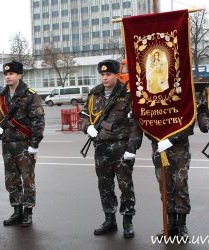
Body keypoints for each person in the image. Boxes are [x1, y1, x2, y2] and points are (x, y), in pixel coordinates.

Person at [81, 59, 143, 238]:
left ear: (117, 74)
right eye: (102, 74)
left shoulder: (127, 94)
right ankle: (110, 220)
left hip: (121, 147)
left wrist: (132, 147)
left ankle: (127, 221)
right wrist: (88, 127)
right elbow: (84, 115)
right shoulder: (95, 94)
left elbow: (135, 123)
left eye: (108, 74)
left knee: (126, 186)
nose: (105, 78)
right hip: (101, 148)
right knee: (105, 186)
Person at [0, 61, 45, 227]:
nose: (8, 76)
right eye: (6, 74)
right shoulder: (2, 95)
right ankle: (17, 210)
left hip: (24, 144)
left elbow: (38, 120)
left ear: (20, 75)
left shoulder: (29, 94)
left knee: (27, 180)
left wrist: (34, 144)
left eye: (12, 73)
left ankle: (28, 212)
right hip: (7, 144)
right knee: (11, 179)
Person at [146, 124, 194, 240]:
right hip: (159, 148)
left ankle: (181, 224)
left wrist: (171, 139)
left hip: (179, 148)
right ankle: (171, 224)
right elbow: (146, 121)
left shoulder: (182, 104)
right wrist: (154, 136)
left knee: (180, 184)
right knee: (164, 185)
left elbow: (189, 120)